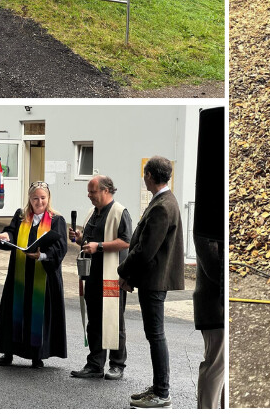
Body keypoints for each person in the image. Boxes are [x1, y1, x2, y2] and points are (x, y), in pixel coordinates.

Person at [118, 156, 186, 409]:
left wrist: (123, 272)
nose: (143, 178)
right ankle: (159, 387)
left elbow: (146, 250)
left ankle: (162, 392)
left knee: (155, 335)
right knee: (154, 334)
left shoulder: (161, 206)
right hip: (153, 278)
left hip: (154, 280)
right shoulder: (166, 200)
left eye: (144, 174)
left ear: (149, 175)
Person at [0, 181, 68, 368]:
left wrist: (42, 255)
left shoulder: (56, 220)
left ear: (48, 198)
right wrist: (4, 237)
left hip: (44, 276)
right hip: (20, 274)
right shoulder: (20, 216)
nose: (39, 201)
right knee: (14, 311)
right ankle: (8, 352)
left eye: (43, 198)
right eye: (35, 198)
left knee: (38, 314)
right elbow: (10, 233)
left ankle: (37, 354)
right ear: (30, 199)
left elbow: (60, 247)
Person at [68, 175, 131, 380]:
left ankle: (117, 365)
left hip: (112, 275)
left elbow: (126, 241)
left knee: (114, 318)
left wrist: (100, 246)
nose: (89, 195)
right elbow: (88, 241)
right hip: (92, 275)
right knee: (94, 319)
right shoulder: (91, 213)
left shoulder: (120, 212)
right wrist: (79, 239)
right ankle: (95, 364)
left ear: (105, 190)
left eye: (92, 191)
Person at [193, 106, 226, 409]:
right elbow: (209, 254)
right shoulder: (207, 228)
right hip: (214, 306)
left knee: (222, 368)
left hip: (215, 302)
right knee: (216, 365)